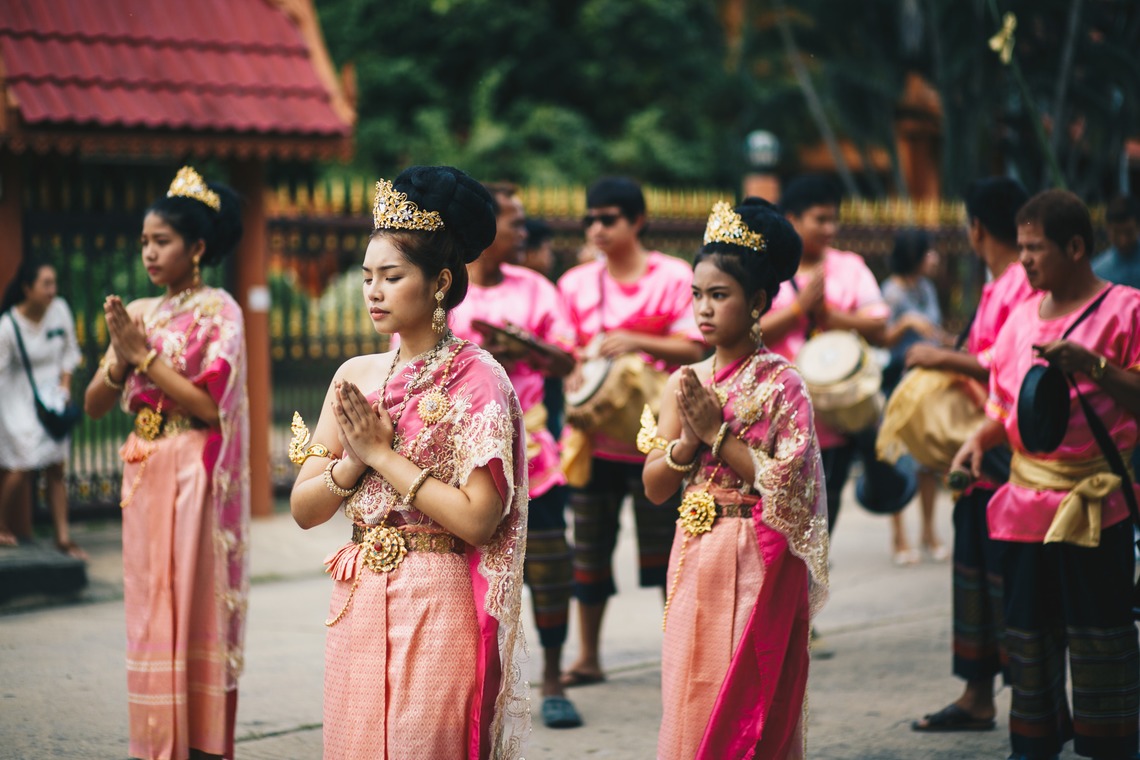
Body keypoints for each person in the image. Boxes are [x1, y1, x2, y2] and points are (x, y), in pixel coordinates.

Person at [289, 166, 529, 758]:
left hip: (437, 597)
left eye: (391, 276)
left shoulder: (477, 379)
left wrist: (379, 454)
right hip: (359, 590)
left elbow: (479, 520)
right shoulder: (354, 374)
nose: (373, 291)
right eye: (368, 276)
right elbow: (302, 507)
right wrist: (351, 465)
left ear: (440, 281)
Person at [953, 189, 1139, 760]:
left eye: (1036, 249)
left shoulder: (1127, 309)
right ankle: (1033, 745)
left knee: (1101, 635)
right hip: (1026, 503)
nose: (1024, 261)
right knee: (1028, 635)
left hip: (1096, 503)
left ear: (1077, 247)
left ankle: (1108, 746)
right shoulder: (1017, 318)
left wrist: (1092, 365)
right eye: (1023, 248)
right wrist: (977, 440)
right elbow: (1004, 404)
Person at [643, 198, 829, 758]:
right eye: (696, 295)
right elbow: (654, 485)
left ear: (759, 302)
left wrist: (719, 436)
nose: (703, 309)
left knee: (746, 687)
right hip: (694, 548)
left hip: (758, 551)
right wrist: (689, 440)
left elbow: (792, 483)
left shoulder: (782, 383)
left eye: (718, 295)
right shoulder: (686, 379)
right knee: (691, 684)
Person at [82, 166, 249, 760]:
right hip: (144, 467)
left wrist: (144, 358)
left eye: (162, 241)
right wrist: (122, 360)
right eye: (145, 242)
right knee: (151, 600)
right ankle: (157, 740)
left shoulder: (219, 311)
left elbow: (210, 405)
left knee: (193, 596)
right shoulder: (141, 310)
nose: (149, 253)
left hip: (192, 467)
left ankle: (200, 741)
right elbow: (95, 405)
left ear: (197, 248)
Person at [557, 176, 705, 687]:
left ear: (637, 221)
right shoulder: (575, 283)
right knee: (589, 555)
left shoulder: (673, 275)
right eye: (590, 219)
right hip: (594, 444)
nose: (597, 228)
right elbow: (563, 352)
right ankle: (588, 657)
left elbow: (696, 348)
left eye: (609, 218)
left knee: (669, 556)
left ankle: (680, 658)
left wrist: (634, 341)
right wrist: (572, 366)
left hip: (660, 445)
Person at [448, 183, 582, 728]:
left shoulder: (535, 288)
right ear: (483, 227)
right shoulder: (446, 287)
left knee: (551, 566)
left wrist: (521, 346)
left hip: (533, 454)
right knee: (465, 574)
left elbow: (565, 360)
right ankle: (470, 679)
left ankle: (552, 678)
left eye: (524, 223)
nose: (523, 232)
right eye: (513, 221)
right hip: (461, 457)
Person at [908, 177, 1032, 735]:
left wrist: (939, 358)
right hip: (985, 448)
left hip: (1007, 449)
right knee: (976, 570)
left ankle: (1027, 700)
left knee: (1007, 575)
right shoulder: (999, 284)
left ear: (976, 228)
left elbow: (1009, 370)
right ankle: (978, 695)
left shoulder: (1016, 285)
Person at [760, 174, 894, 533]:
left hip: (832, 421)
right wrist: (797, 311)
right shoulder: (764, 266)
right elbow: (742, 334)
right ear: (791, 218)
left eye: (834, 219)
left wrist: (829, 317)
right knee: (770, 529)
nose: (830, 228)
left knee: (817, 532)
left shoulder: (850, 267)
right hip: (771, 420)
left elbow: (880, 329)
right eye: (820, 219)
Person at [0, 258, 83, 557]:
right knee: (21, 464)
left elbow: (70, 352)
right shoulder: (9, 325)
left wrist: (65, 388)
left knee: (56, 467)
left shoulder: (59, 309)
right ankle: (1, 524)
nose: (52, 290)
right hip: (17, 401)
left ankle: (63, 536)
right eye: (45, 284)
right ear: (27, 288)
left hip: (53, 399)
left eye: (54, 283)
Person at [881, 229, 950, 566]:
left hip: (928, 385)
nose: (934, 258)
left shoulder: (927, 288)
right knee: (898, 460)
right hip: (898, 384)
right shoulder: (891, 292)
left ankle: (928, 532)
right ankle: (899, 537)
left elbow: (935, 333)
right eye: (928, 252)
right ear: (914, 254)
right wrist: (905, 322)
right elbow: (880, 341)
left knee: (927, 461)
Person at [1092, 195, 1140, 289]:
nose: (1123, 240)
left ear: (1138, 227)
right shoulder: (1098, 273)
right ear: (1107, 230)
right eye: (1117, 233)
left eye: (1128, 232)